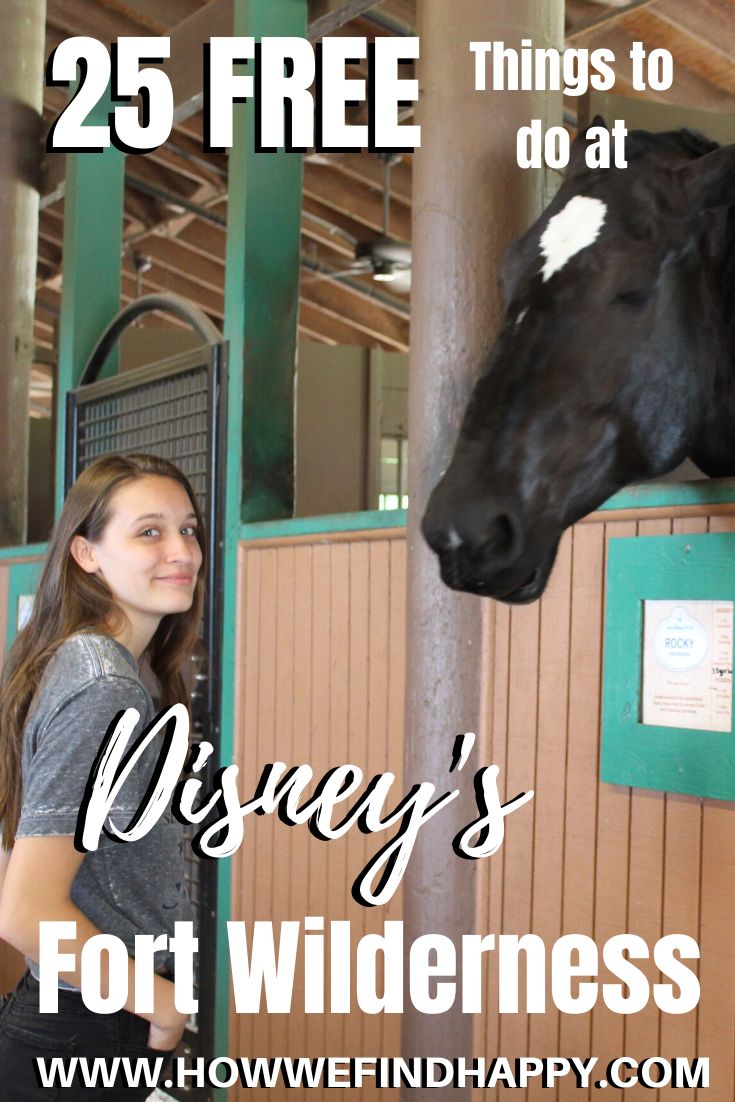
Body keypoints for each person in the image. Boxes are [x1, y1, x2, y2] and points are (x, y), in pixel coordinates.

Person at [0, 453, 206, 1099]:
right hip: (86, 1036)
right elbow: (27, 910)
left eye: (190, 529)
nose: (181, 550)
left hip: (85, 1028)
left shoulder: (97, 668)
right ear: (86, 554)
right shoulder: (102, 686)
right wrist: (163, 1004)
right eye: (149, 531)